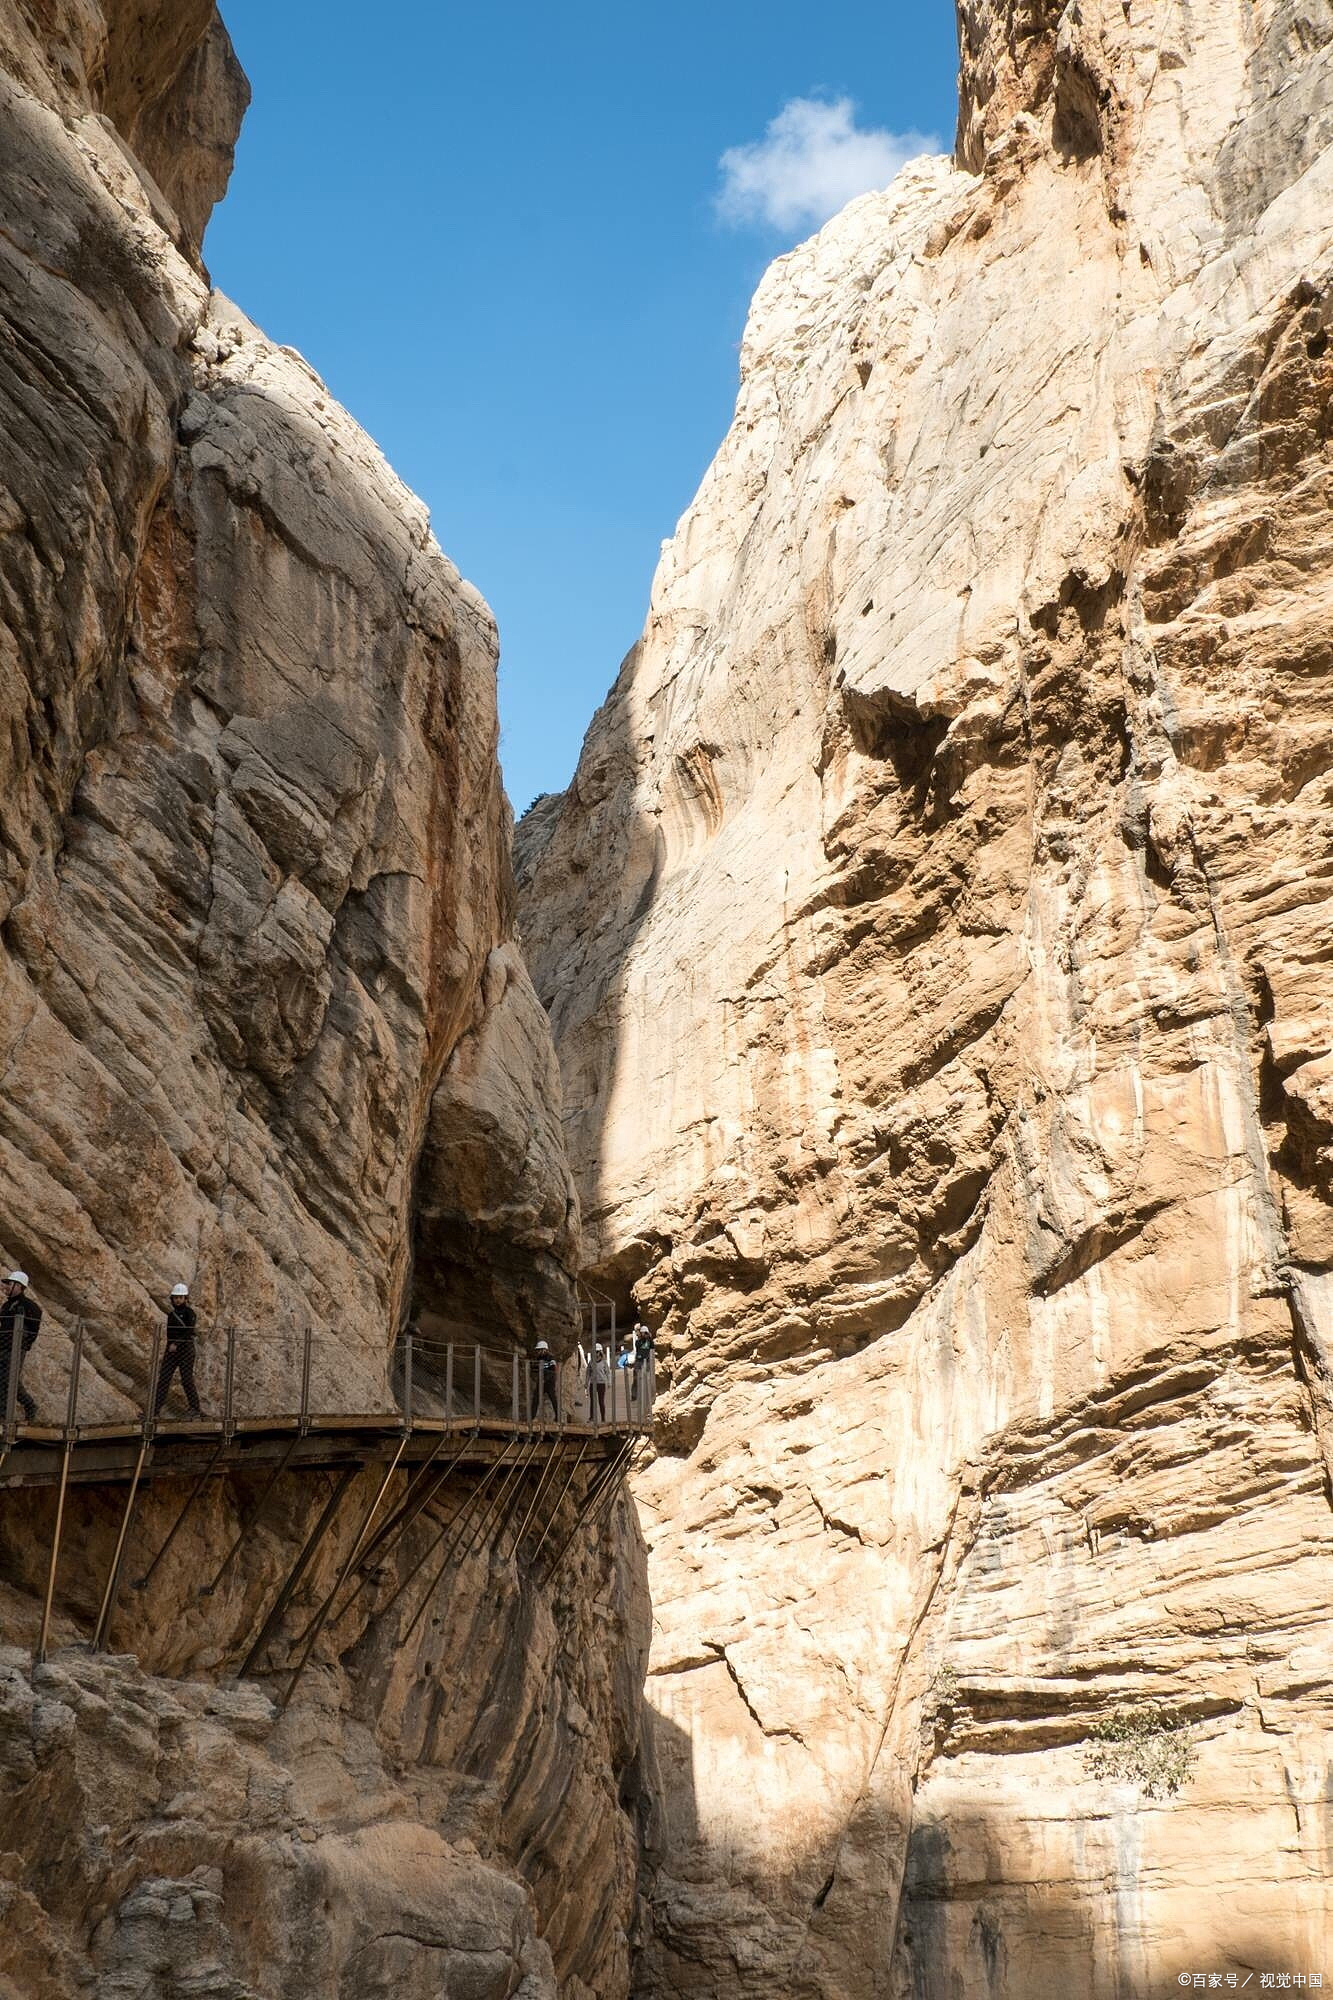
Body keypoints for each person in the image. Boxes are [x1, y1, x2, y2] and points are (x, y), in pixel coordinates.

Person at [152, 1282, 202, 1419]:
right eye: (176, 1297)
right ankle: (154, 1411)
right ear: (172, 1299)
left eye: (181, 1297)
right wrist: (171, 1346)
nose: (178, 1300)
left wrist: (176, 1343)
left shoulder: (190, 1313)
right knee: (163, 1379)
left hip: (185, 1349)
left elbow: (189, 1331)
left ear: (186, 1299)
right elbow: (170, 1333)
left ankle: (195, 1408)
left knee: (186, 1379)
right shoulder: (171, 1315)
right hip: (172, 1351)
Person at [0, 1269, 41, 1424]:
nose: (6, 1287)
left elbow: (34, 1329)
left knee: (9, 1380)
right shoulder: (6, 1306)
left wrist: (25, 1344)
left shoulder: (30, 1306)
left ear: (19, 1286)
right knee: (3, 1380)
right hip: (3, 1347)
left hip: (16, 1348)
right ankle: (3, 1414)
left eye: (9, 1284)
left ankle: (29, 1406)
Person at [532, 1338, 559, 1423]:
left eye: (539, 1350)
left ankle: (558, 1417)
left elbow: (554, 1370)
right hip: (542, 1381)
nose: (538, 1351)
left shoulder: (551, 1357)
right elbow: (536, 1368)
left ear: (544, 1349)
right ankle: (533, 1417)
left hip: (549, 1382)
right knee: (536, 1398)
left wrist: (546, 1379)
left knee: (553, 1399)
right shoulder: (539, 1358)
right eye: (538, 1350)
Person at [632, 1321, 656, 1406]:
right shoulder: (638, 1341)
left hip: (647, 1360)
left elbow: (652, 1347)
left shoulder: (649, 1341)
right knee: (636, 1378)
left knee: (647, 1377)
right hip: (639, 1360)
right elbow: (638, 1345)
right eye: (642, 1333)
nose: (643, 1334)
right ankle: (634, 1395)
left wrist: (649, 1337)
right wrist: (643, 1338)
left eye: (644, 1333)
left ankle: (647, 1395)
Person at [586, 1340, 609, 1422]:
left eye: (597, 1352)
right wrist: (586, 1382)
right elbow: (588, 1372)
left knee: (601, 1401)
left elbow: (608, 1372)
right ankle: (592, 1417)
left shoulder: (604, 1362)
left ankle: (603, 1418)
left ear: (600, 1352)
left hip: (601, 1383)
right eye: (594, 1352)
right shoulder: (591, 1362)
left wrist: (609, 1382)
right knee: (592, 1401)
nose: (595, 1354)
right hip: (593, 1383)